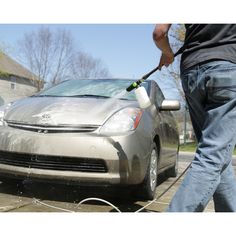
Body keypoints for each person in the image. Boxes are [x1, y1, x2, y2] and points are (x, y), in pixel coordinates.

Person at [153, 24, 236, 212]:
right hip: (228, 68)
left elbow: (159, 33)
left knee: (215, 154)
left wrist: (167, 53)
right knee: (213, 156)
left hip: (192, 71)